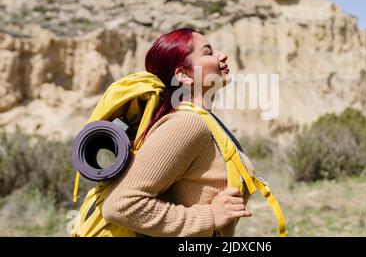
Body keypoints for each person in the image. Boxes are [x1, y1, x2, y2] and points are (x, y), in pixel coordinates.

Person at [102, 28, 255, 236]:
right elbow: (120, 205)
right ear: (184, 75)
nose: (222, 55)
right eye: (208, 52)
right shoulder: (186, 124)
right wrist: (209, 216)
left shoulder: (206, 121)